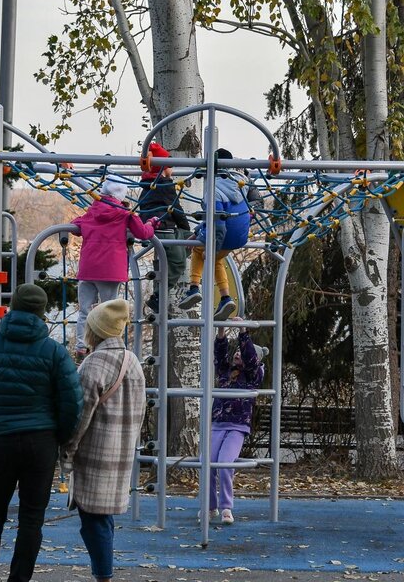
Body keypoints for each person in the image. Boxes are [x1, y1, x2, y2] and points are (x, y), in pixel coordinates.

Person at [0, 283, 83, 582]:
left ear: (12, 306)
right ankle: (19, 578)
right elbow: (72, 402)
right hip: (40, 442)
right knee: (31, 518)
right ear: (41, 313)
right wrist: (59, 437)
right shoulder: (54, 352)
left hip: (0, 440)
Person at [63, 299, 147, 582]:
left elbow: (80, 415)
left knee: (93, 520)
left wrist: (67, 452)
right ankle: (104, 573)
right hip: (121, 449)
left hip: (95, 451)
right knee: (103, 518)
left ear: (94, 330)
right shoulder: (132, 361)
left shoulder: (93, 363)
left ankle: (104, 576)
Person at [73, 177, 159, 358]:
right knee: (108, 310)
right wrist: (152, 223)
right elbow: (143, 233)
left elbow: (76, 226)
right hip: (110, 270)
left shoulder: (91, 211)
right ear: (121, 194)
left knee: (85, 309)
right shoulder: (124, 214)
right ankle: (106, 346)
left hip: (88, 269)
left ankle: (81, 345)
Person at [179, 149, 256, 319]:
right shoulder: (240, 184)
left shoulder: (213, 191)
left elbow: (219, 225)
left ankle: (193, 288)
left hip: (226, 234)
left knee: (199, 251)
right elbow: (214, 219)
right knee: (216, 260)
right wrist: (197, 233)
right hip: (240, 236)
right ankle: (226, 298)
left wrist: (212, 249)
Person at [208, 315, 267, 525]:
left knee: (224, 464)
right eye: (237, 352)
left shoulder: (253, 374)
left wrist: (243, 331)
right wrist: (222, 332)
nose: (237, 355)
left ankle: (226, 507)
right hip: (217, 424)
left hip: (237, 427)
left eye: (241, 353)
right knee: (208, 464)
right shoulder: (225, 373)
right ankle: (210, 507)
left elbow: (251, 359)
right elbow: (219, 354)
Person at [136, 142, 191, 314]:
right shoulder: (164, 185)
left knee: (182, 245)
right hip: (164, 228)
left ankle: (161, 281)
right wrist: (185, 226)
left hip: (153, 227)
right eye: (170, 167)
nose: (172, 171)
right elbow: (176, 208)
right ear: (163, 169)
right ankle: (158, 296)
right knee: (178, 261)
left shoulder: (146, 185)